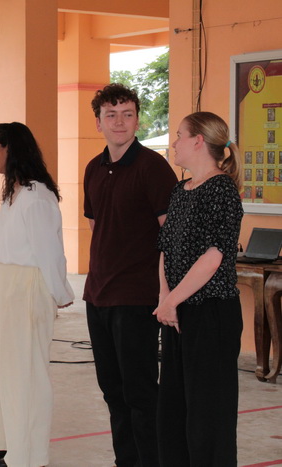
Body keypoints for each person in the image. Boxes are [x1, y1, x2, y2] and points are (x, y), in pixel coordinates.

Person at [83, 83, 177, 467]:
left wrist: (166, 293)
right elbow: (96, 226)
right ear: (98, 122)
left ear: (138, 120)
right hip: (97, 294)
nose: (119, 122)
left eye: (127, 114)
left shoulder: (153, 167)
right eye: (111, 115)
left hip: (137, 297)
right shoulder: (93, 168)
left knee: (140, 394)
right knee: (112, 391)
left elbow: (171, 236)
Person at [0, 122, 74, 467]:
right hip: (4, 284)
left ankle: (28, 455)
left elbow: (50, 252)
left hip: (27, 287)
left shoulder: (36, 197)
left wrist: (59, 292)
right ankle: (2, 440)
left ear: (11, 150)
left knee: (24, 374)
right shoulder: (14, 193)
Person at [154, 112, 243, 466]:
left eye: (179, 135)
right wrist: (165, 299)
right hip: (177, 313)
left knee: (208, 415)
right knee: (173, 410)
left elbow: (213, 257)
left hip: (210, 314)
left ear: (198, 141)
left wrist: (172, 301)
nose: (174, 143)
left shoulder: (222, 191)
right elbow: (165, 248)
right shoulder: (181, 190)